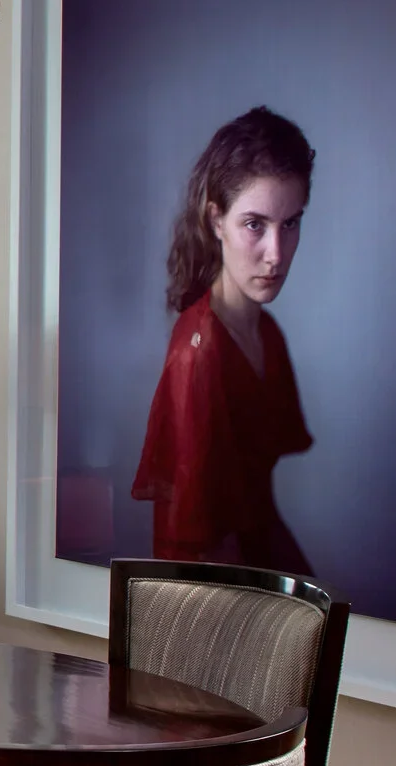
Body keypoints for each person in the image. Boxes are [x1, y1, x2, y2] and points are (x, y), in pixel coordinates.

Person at [130, 106, 316, 572]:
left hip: (257, 572)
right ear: (216, 221)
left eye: (290, 223)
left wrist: (319, 597)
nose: (276, 254)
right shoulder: (199, 352)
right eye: (255, 224)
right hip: (206, 593)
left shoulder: (267, 333)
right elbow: (202, 549)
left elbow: (261, 513)